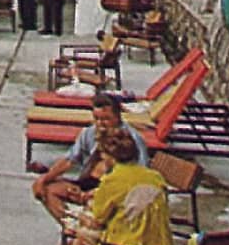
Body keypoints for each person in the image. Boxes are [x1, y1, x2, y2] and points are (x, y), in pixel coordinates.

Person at [35, 129, 175, 245]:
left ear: (110, 157)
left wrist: (80, 216)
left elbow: (98, 219)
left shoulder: (113, 180)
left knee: (85, 236)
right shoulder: (154, 176)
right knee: (95, 236)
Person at [30, 94, 149, 223]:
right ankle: (70, 227)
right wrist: (44, 179)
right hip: (86, 182)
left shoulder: (132, 139)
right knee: (46, 190)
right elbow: (69, 160)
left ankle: (80, 232)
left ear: (118, 117)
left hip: (112, 190)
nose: (100, 123)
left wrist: (97, 192)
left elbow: (139, 175)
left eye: (106, 119)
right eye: (96, 118)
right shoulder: (89, 133)